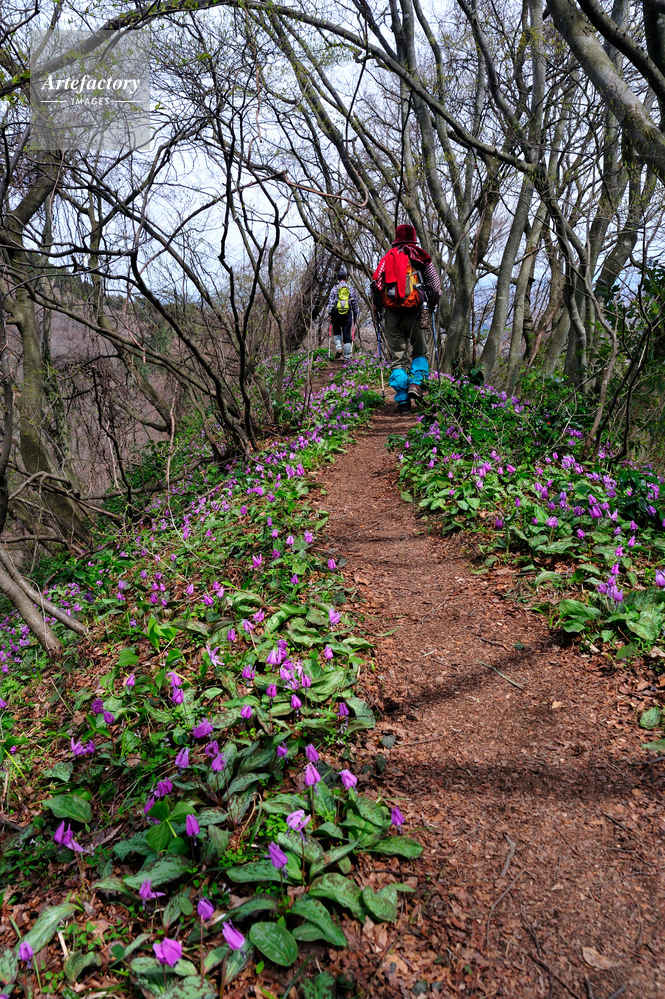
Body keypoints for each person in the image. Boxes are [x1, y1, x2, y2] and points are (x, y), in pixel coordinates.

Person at [371, 224, 441, 412]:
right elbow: (435, 287)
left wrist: (378, 308)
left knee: (398, 359)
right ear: (413, 240)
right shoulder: (420, 258)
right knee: (420, 351)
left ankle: (403, 403)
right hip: (416, 311)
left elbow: (376, 286)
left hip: (392, 315)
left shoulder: (387, 259)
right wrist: (431, 305)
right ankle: (416, 384)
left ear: (396, 241)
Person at [327, 265, 359, 359]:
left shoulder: (334, 289)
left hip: (336, 314)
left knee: (337, 331)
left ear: (338, 279)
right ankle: (347, 356)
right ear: (346, 278)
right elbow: (354, 304)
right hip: (347, 314)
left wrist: (330, 314)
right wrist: (356, 315)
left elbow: (331, 303)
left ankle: (339, 347)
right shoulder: (350, 289)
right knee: (347, 335)